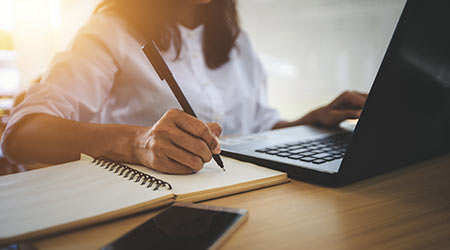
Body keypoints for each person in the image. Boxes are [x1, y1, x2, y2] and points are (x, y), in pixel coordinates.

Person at [1, 0, 367, 174]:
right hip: (154, 216)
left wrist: (314, 119)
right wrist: (138, 143)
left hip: (245, 199)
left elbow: (255, 127)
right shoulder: (109, 30)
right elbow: (21, 134)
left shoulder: (235, 40)